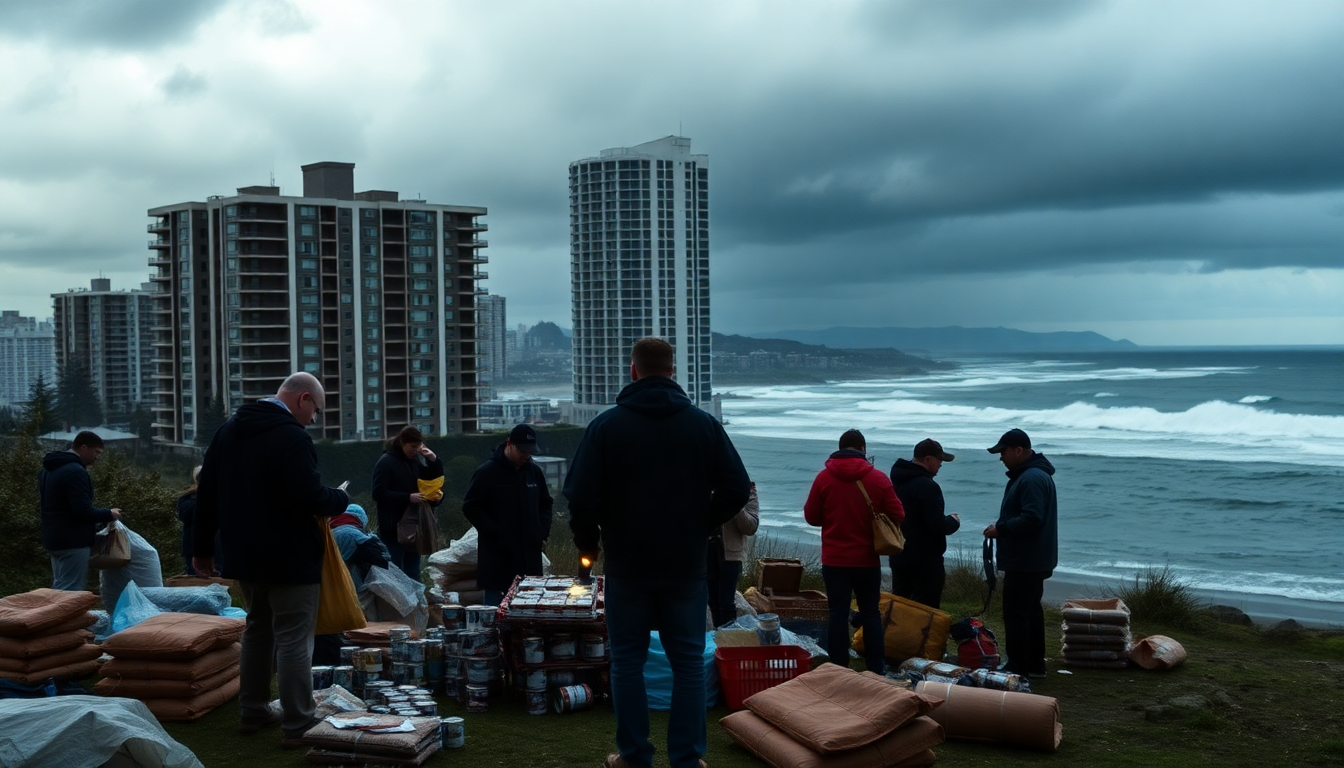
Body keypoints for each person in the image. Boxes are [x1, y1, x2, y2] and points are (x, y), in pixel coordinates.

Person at [564, 337, 751, 768]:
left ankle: (634, 757)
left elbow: (579, 498)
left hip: (628, 564)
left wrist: (589, 546)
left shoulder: (607, 427)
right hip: (685, 565)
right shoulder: (702, 425)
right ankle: (687, 759)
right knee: (687, 662)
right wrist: (699, 523)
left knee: (626, 662)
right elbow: (737, 488)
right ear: (672, 372)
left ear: (633, 371)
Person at [192, 372, 349, 746]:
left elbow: (206, 493)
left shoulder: (228, 431)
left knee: (257, 632)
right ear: (303, 399)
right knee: (295, 639)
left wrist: (202, 548)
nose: (314, 419)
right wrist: (340, 500)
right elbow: (309, 497)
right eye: (316, 411)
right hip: (290, 556)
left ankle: (253, 711)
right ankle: (298, 725)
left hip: (245, 555)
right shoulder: (292, 437)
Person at [804, 429, 904, 675]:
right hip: (867, 559)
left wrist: (834, 518)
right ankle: (875, 667)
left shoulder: (823, 478)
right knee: (870, 612)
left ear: (840, 449)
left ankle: (839, 667)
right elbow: (898, 514)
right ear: (863, 449)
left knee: (837, 613)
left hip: (834, 558)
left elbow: (811, 516)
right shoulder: (879, 479)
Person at [983, 428, 1058, 679]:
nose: (1000, 457)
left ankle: (1018, 665)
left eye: (1003, 451)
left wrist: (1001, 529)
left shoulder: (1031, 478)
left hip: (1025, 559)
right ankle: (1035, 664)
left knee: (1016, 613)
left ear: (1018, 450)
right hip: (1034, 557)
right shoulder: (1031, 475)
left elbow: (1031, 518)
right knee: (1031, 611)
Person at [462, 423, 554, 606]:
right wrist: (495, 532)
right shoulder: (487, 472)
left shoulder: (533, 472)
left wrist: (541, 530)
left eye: (529, 452)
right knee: (497, 619)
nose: (526, 456)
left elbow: (546, 503)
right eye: (522, 451)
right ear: (509, 444)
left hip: (530, 560)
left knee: (530, 616)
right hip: (498, 561)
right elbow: (470, 506)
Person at [38, 430, 122, 590]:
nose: (97, 457)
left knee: (60, 586)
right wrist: (109, 513)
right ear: (83, 447)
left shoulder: (49, 470)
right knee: (71, 591)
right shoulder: (75, 472)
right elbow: (82, 511)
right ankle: (62, 616)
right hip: (73, 541)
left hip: (54, 538)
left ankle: (54, 615)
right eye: (96, 452)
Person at [887, 439, 961, 609]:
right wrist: (953, 521)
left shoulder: (897, 482)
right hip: (924, 561)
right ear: (928, 459)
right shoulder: (928, 486)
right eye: (939, 459)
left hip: (899, 554)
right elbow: (936, 525)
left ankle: (898, 636)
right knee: (926, 610)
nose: (941, 464)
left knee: (899, 606)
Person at [314, 503, 389, 666]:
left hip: (324, 593)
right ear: (360, 519)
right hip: (353, 591)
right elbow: (381, 560)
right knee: (360, 629)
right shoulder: (352, 534)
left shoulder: (327, 532)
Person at [372, 426, 445, 580]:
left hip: (414, 528)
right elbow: (378, 493)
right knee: (395, 573)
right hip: (393, 529)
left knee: (413, 572)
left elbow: (431, 481)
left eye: (418, 447)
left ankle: (415, 603)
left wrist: (433, 460)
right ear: (403, 442)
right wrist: (407, 497)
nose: (415, 451)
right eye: (413, 447)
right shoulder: (386, 462)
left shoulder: (414, 461)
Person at [706, 482, 759, 628]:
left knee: (726, 603)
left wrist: (734, 502)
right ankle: (719, 639)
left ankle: (729, 640)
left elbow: (751, 527)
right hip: (707, 551)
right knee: (712, 601)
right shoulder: (704, 486)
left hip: (731, 554)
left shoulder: (747, 491)